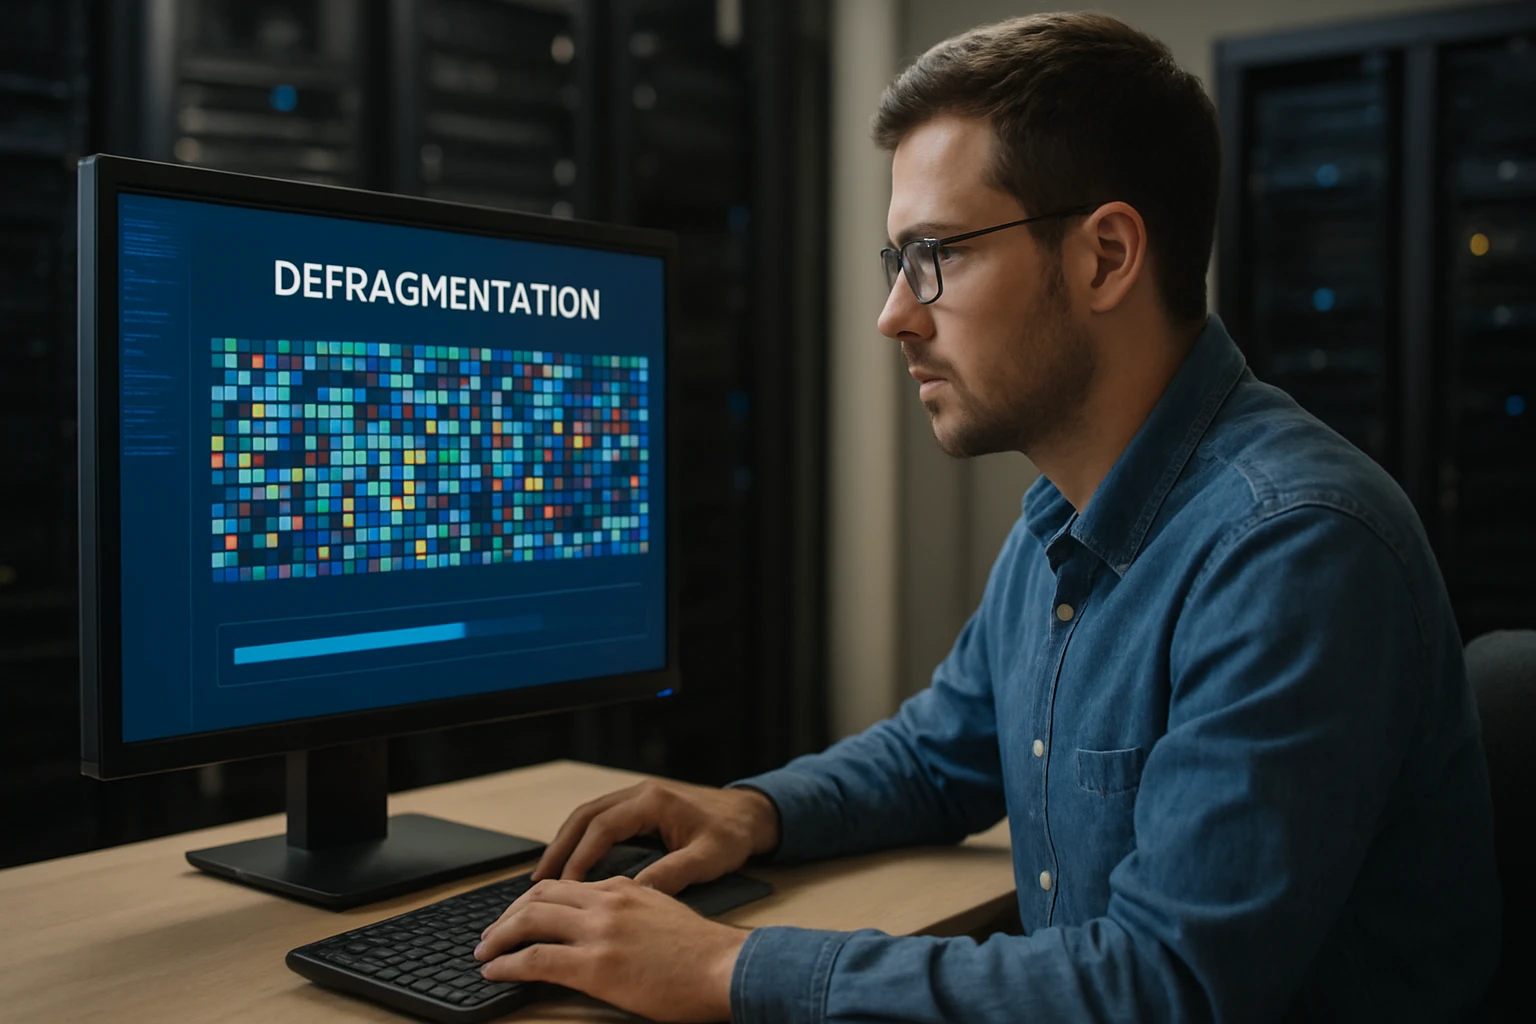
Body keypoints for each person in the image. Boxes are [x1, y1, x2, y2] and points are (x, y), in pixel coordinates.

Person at [471, 12, 1502, 1022]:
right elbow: (939, 753)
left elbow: (1161, 988)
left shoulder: (1293, 547)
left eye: (939, 255)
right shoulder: (1066, 513)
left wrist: (730, 969)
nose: (893, 314)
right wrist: (755, 810)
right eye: (896, 261)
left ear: (1105, 256)